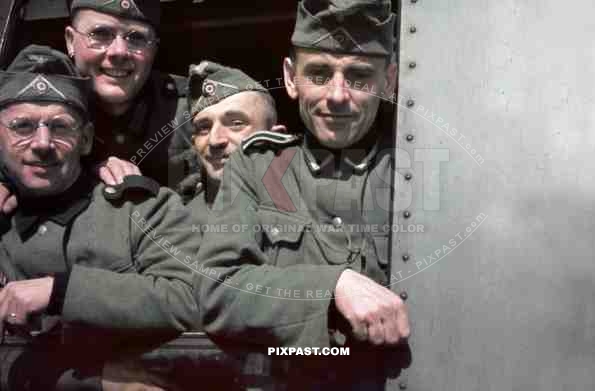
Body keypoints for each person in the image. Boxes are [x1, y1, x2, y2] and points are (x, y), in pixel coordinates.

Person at [193, 0, 409, 389]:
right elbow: (217, 289)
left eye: (359, 77)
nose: (338, 95)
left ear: (389, 81)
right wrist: (332, 286)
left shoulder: (410, 171)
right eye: (320, 74)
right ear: (291, 79)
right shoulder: (257, 167)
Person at [0, 44, 199, 390]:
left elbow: (192, 296)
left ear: (87, 139)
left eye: (60, 128)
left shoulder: (140, 208)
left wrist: (60, 292)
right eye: (23, 127)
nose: (43, 143)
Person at [0, 0, 192, 214]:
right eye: (100, 34)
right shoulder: (32, 104)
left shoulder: (191, 112)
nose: (119, 52)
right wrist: (10, 178)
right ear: (70, 41)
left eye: (137, 38)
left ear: (155, 48)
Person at [177, 60, 284, 206]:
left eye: (236, 124)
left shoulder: (314, 209)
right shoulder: (174, 222)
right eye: (204, 128)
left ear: (275, 139)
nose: (215, 140)